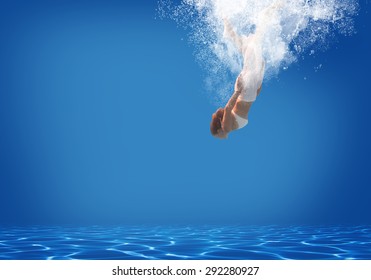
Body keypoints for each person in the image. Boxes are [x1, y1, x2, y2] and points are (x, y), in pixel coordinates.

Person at [210, 1, 284, 139]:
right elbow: (246, 106)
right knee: (248, 48)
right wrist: (258, 87)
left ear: (219, 129)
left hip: (244, 91)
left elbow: (227, 108)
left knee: (254, 44)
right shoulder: (230, 127)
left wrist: (238, 90)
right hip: (250, 91)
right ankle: (225, 18)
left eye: (217, 136)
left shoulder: (226, 127)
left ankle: (269, 11)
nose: (219, 138)